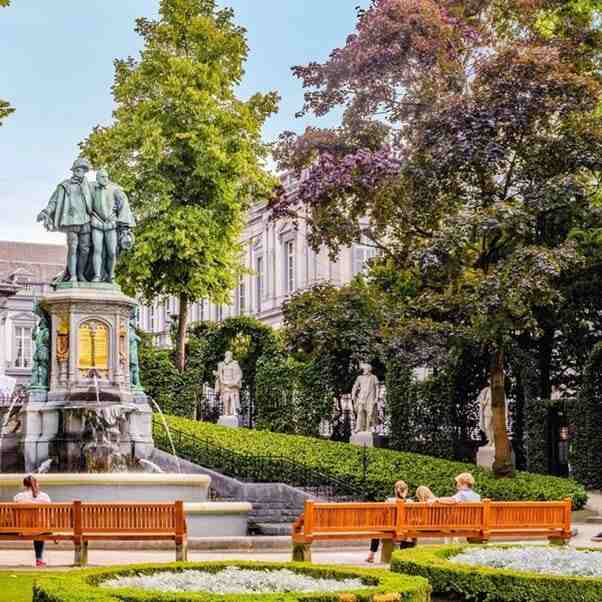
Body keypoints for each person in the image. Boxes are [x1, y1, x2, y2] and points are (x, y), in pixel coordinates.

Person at [366, 480, 410, 563]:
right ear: (406, 490)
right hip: (405, 528)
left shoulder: (389, 501)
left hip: (391, 528)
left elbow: (383, 515)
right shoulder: (410, 502)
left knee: (377, 530)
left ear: (395, 490)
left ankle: (371, 555)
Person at [14, 476, 51, 567]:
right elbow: (50, 512)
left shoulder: (18, 497)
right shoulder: (44, 496)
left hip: (23, 529)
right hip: (40, 529)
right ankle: (39, 559)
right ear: (36, 484)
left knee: (36, 526)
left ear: (24, 486)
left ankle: (39, 559)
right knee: (39, 528)